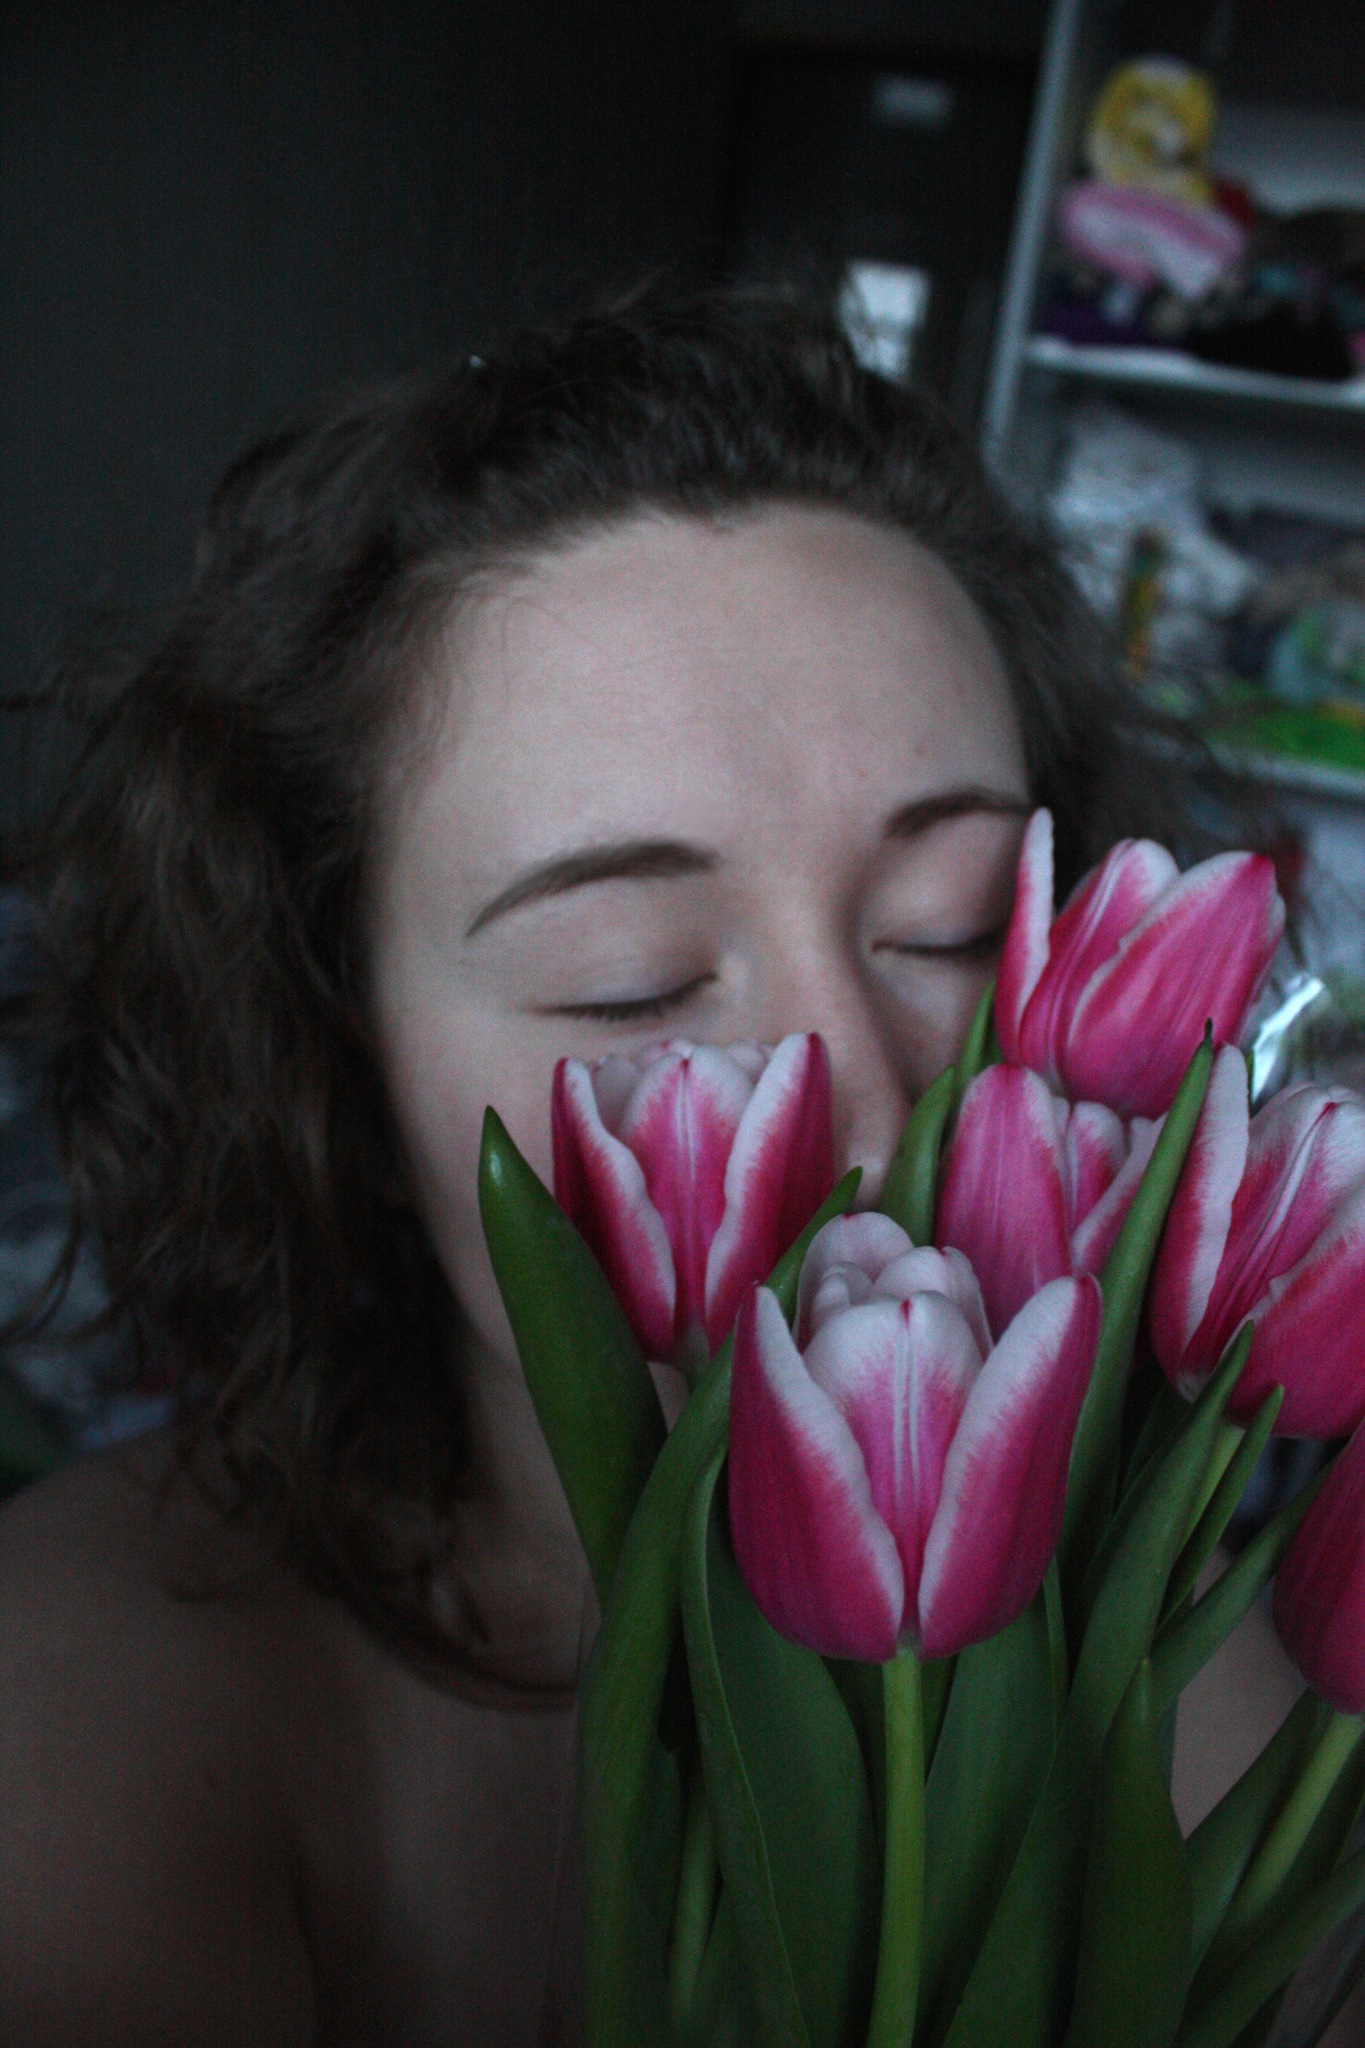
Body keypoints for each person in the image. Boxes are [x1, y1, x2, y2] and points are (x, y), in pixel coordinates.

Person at [0, 294, 1305, 2045]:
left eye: (952, 930)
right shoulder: (87, 1707)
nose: (859, 1110)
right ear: (334, 1067)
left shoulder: (1196, 1690)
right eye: (627, 980)